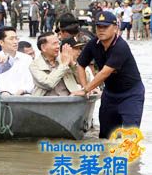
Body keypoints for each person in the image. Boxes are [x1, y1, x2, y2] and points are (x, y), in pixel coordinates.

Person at [72, 11, 145, 139]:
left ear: (115, 28)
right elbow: (80, 64)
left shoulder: (120, 46)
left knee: (131, 136)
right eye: (99, 26)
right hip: (110, 94)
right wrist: (85, 88)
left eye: (105, 27)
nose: (101, 30)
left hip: (131, 94)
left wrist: (85, 89)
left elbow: (105, 73)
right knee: (106, 137)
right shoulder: (93, 44)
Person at [29, 32, 81, 96]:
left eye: (58, 43)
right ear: (43, 47)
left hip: (69, 101)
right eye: (54, 44)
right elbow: (48, 84)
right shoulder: (34, 65)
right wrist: (64, 65)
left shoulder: (64, 58)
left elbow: (84, 81)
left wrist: (73, 64)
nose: (58, 47)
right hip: (45, 103)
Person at [0, 26, 34, 95]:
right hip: (1, 98)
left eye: (16, 38)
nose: (15, 42)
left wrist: (22, 90)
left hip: (23, 97)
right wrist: (3, 92)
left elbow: (31, 81)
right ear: (1, 42)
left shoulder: (27, 59)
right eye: (11, 39)